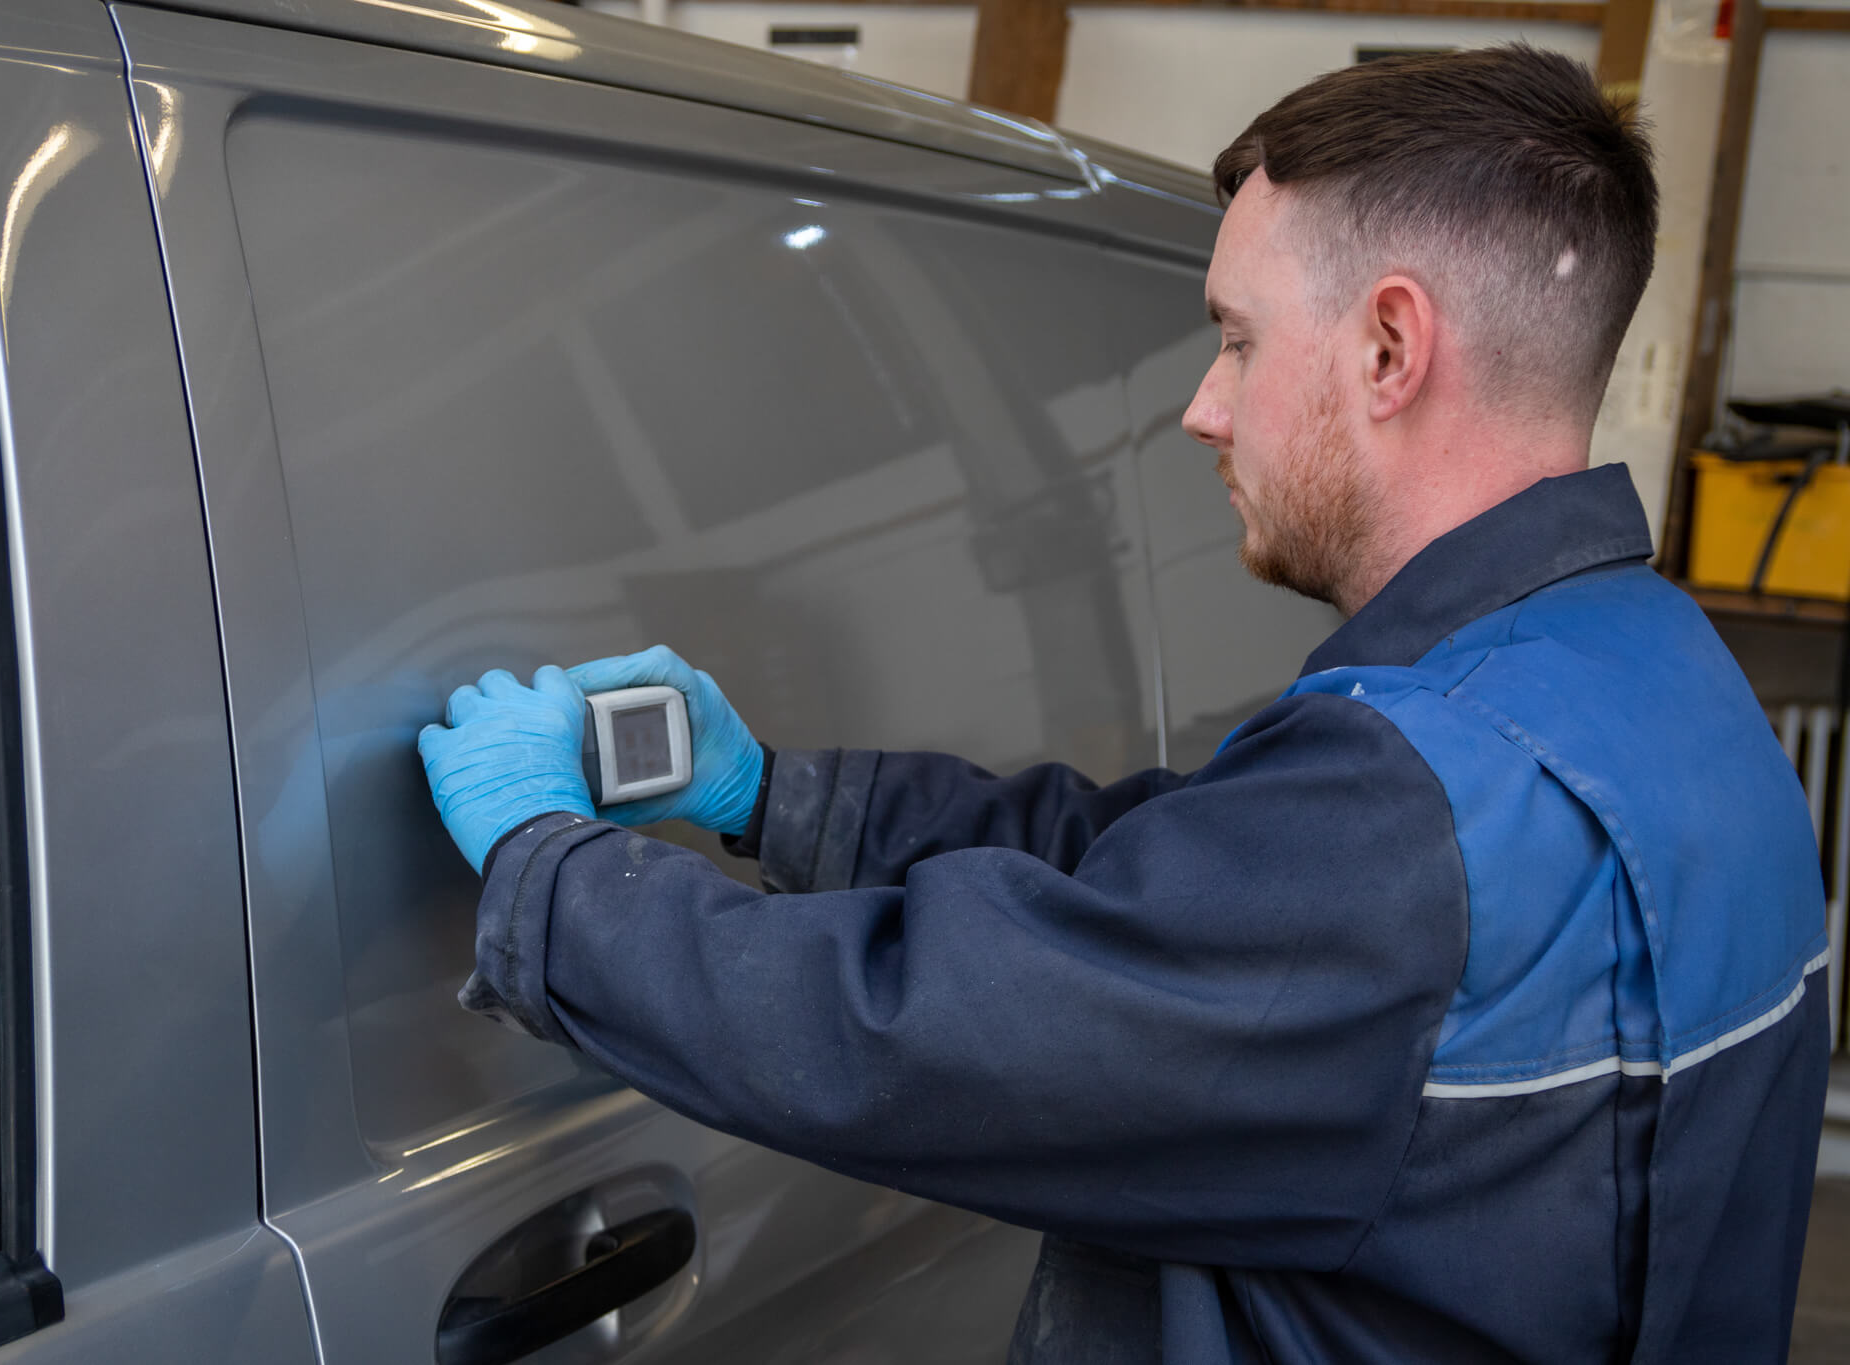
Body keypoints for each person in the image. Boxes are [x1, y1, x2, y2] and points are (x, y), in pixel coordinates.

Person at [418, 45, 1828, 1362]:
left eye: (1235, 340)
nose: (1203, 407)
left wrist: (548, 873)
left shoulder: (1401, 813)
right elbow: (1167, 883)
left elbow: (917, 1033)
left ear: (1391, 349)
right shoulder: (1666, 680)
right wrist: (769, 793)